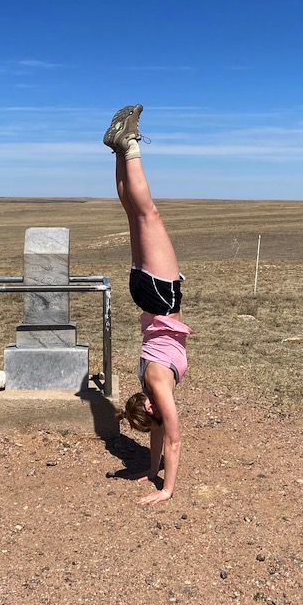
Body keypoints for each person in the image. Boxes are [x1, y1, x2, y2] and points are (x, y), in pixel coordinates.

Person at [104, 103, 192, 507]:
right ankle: (119, 148)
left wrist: (166, 489)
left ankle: (129, 145)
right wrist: (151, 471)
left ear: (152, 406)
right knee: (133, 214)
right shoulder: (146, 383)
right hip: (144, 295)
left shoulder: (157, 384)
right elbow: (159, 434)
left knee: (148, 214)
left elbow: (172, 438)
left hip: (161, 295)